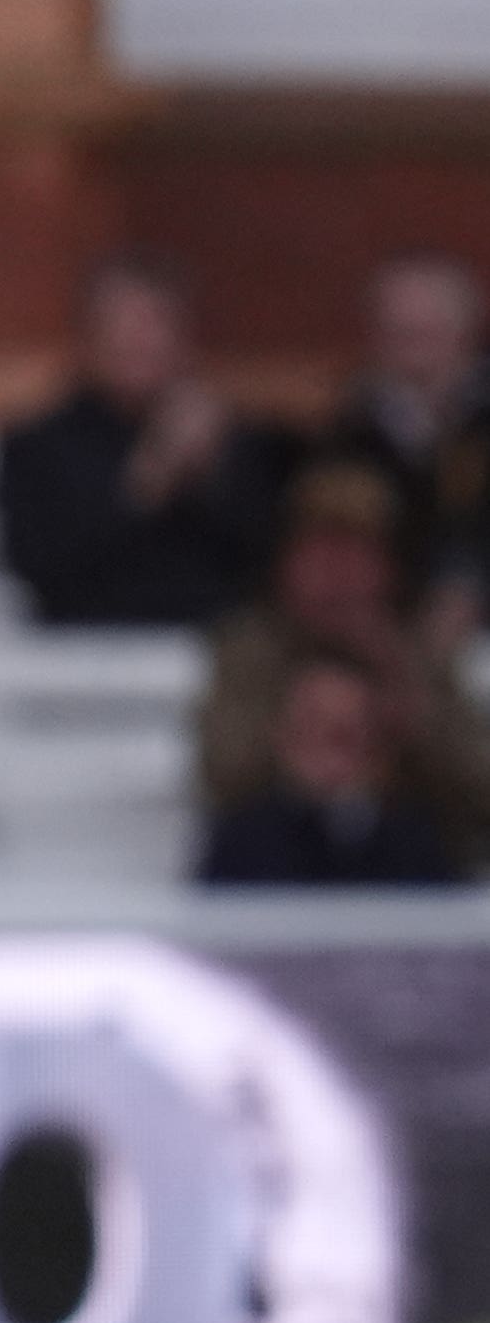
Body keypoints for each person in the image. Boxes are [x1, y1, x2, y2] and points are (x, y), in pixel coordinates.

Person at [193, 464, 490, 865]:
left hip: (405, 865)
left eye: (356, 553)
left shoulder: (418, 650)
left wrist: (401, 685)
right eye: (320, 551)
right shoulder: (250, 649)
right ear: (286, 562)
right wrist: (310, 741)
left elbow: (478, 782)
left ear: (389, 568)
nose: (337, 573)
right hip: (276, 860)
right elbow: (223, 770)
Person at [0, 257, 272, 629]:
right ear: (87, 338)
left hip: (214, 645)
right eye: (122, 324)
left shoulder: (236, 441)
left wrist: (210, 473)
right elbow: (47, 570)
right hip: (80, 654)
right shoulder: (33, 449)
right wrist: (151, 479)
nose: (140, 340)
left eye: (155, 322)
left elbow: (264, 565)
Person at [301, 251, 490, 607]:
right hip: (391, 622)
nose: (410, 332)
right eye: (396, 324)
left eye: (428, 322)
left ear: (467, 325)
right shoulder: (348, 431)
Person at [197, 652, 467, 888]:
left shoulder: (414, 838)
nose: (326, 748)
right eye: (312, 725)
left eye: (343, 733)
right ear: (281, 734)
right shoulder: (242, 837)